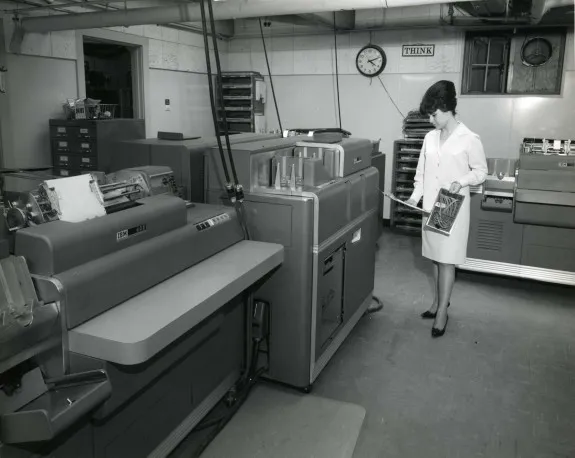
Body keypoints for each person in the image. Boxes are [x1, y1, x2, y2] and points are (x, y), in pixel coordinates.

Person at [406, 80, 487, 338]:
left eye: (434, 114)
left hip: (451, 205)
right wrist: (413, 198)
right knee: (434, 255)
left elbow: (481, 172)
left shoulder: (469, 138)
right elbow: (421, 173)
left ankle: (442, 311)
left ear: (448, 108)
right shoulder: (430, 137)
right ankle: (438, 302)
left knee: (447, 260)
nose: (431, 120)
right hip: (431, 205)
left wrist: (461, 181)